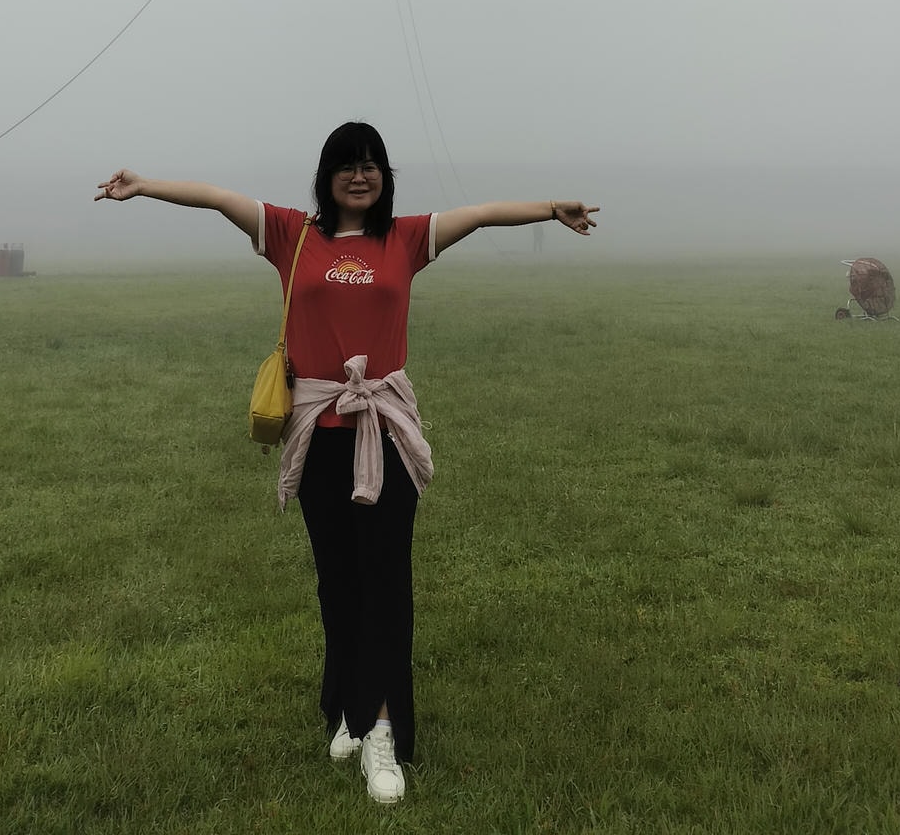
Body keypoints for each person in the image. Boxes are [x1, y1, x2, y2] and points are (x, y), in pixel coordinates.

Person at [95, 122, 598, 804]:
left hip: (384, 428)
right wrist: (146, 185)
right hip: (318, 429)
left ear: (385, 176)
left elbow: (478, 215)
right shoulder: (291, 235)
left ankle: (382, 729)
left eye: (372, 165)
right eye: (347, 165)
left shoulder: (408, 238)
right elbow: (217, 197)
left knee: (384, 580)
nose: (360, 176)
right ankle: (345, 709)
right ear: (326, 175)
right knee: (338, 579)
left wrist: (550, 208)